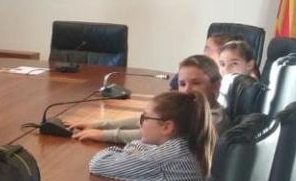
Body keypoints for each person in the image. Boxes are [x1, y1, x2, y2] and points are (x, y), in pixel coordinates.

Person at [67, 55, 229, 143]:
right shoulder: (193, 109)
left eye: (196, 83)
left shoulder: (209, 120)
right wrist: (98, 125)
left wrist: (103, 135)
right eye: (182, 83)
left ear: (216, 86)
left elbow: (152, 134)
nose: (186, 90)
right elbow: (149, 121)